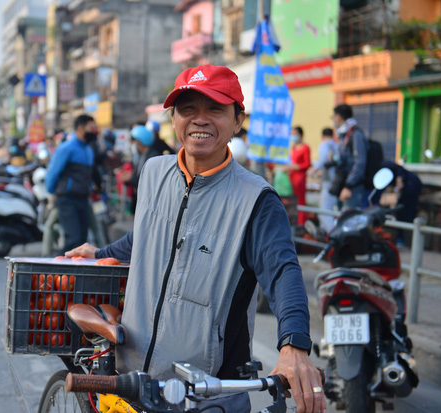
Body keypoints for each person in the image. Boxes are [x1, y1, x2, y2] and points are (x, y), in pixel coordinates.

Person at [65, 65, 325, 413]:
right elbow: (146, 233)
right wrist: (101, 251)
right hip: (133, 379)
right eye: (188, 109)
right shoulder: (154, 172)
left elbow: (283, 272)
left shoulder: (256, 201)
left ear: (237, 121)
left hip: (206, 393)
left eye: (215, 109)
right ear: (173, 118)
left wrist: (294, 345)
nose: (199, 120)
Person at [45, 114, 99, 254]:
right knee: (73, 240)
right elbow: (53, 172)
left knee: (82, 241)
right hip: (67, 199)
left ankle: (74, 275)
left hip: (83, 199)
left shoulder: (88, 150)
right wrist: (51, 194)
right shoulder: (66, 148)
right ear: (80, 128)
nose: (94, 131)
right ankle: (53, 269)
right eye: (91, 128)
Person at [330, 104, 368, 210]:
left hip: (352, 188)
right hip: (344, 185)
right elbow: (345, 160)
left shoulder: (356, 134)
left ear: (339, 117)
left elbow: (359, 163)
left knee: (348, 220)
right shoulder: (344, 134)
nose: (333, 119)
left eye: (333, 116)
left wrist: (348, 186)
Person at [380, 160, 423, 246]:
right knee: (404, 212)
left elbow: (399, 171)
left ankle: (405, 240)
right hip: (410, 186)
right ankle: (405, 239)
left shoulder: (384, 164)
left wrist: (399, 183)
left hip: (410, 186)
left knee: (406, 212)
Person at [120, 125, 160, 214]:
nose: (131, 145)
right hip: (138, 202)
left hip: (149, 205)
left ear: (139, 142)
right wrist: (128, 178)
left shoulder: (153, 157)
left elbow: (150, 182)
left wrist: (131, 179)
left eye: (132, 141)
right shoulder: (140, 156)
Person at [314, 127, 339, 232]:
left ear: (322, 136)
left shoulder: (324, 144)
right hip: (336, 181)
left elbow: (323, 158)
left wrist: (314, 169)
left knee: (323, 211)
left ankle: (331, 233)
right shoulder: (336, 145)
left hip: (328, 181)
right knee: (331, 209)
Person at [285, 126, 311, 226]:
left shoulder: (305, 147)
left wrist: (297, 166)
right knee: (292, 201)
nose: (293, 136)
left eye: (294, 134)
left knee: (300, 201)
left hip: (299, 178)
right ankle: (293, 222)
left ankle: (301, 224)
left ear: (300, 135)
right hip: (291, 177)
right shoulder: (293, 148)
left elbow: (307, 164)